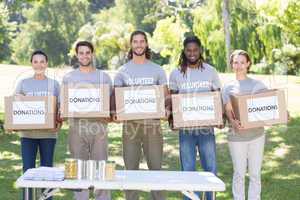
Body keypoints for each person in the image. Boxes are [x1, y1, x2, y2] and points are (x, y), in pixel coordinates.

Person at [112, 30, 167, 200]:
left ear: (146, 44)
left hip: (153, 126)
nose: (139, 44)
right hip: (130, 126)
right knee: (130, 171)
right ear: (131, 45)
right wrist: (115, 112)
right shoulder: (122, 71)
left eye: (142, 41)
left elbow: (166, 98)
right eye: (135, 41)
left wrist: (167, 110)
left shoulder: (157, 70)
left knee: (156, 169)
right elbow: (117, 98)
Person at [168, 36, 221, 200]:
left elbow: (217, 97)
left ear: (200, 50)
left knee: (210, 167)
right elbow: (173, 100)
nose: (192, 53)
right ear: (184, 51)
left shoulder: (210, 71)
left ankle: (210, 198)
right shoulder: (176, 73)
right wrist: (173, 120)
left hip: (206, 129)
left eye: (195, 50)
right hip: (186, 130)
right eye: (188, 50)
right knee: (188, 169)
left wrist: (220, 118)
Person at [62, 41, 112, 200]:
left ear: (92, 54)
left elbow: (109, 103)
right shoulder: (69, 77)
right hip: (77, 127)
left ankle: (102, 197)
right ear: (77, 55)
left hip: (99, 127)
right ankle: (80, 198)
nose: (84, 56)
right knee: (79, 166)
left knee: (101, 166)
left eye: (87, 52)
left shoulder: (103, 77)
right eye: (81, 53)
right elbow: (64, 104)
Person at [15, 50, 61, 200]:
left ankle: (47, 198)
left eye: (42, 61)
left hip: (48, 134)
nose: (39, 64)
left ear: (47, 64)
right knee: (27, 169)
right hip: (27, 135)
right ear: (31, 64)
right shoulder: (23, 83)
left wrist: (58, 123)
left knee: (47, 170)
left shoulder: (54, 84)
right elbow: (15, 106)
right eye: (36, 61)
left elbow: (60, 108)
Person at [222, 49, 268, 200]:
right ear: (232, 65)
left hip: (257, 136)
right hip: (236, 137)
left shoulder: (258, 85)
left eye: (242, 62)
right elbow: (228, 111)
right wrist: (234, 122)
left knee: (255, 174)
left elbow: (269, 105)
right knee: (239, 173)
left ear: (248, 64)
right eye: (236, 62)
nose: (239, 65)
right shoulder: (227, 87)